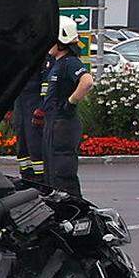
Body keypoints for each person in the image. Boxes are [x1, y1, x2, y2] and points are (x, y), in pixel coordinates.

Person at [35, 16, 94, 196]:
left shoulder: (70, 62)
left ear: (62, 42)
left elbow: (87, 82)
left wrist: (70, 102)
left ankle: (76, 214)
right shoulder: (57, 63)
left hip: (64, 126)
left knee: (63, 176)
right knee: (52, 176)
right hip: (54, 125)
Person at [11, 54, 51, 181]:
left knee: (35, 145)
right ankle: (26, 178)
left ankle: (41, 181)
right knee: (22, 146)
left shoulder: (44, 57)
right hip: (20, 106)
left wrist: (41, 108)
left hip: (34, 105)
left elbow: (47, 87)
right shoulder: (20, 56)